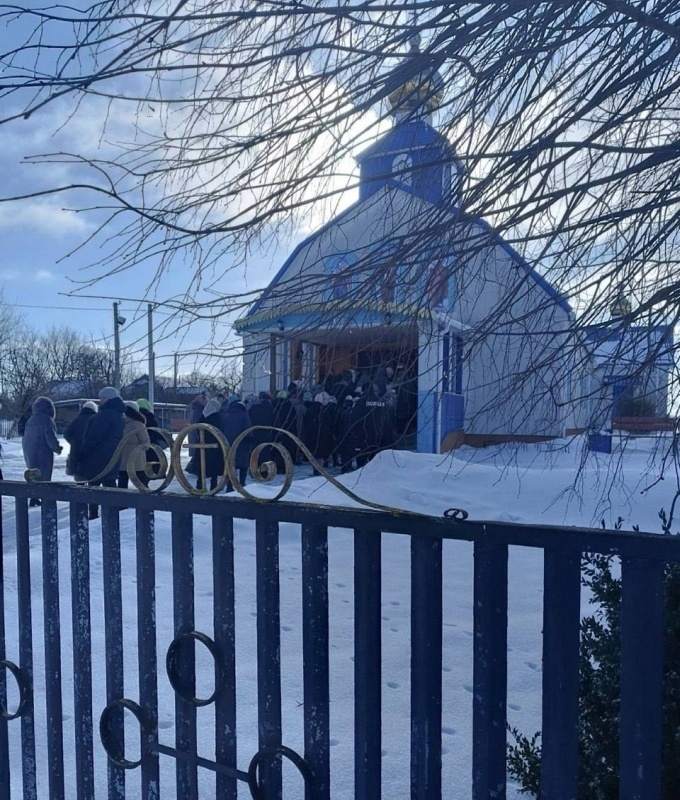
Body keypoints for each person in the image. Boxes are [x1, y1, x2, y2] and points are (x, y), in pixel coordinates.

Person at [78, 387, 126, 520]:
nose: (101, 400)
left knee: (94, 484)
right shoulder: (119, 415)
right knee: (110, 483)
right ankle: (114, 511)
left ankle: (93, 513)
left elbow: (94, 436)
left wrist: (84, 452)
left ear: (110, 399)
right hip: (113, 454)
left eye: (103, 398)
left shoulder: (104, 415)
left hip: (98, 455)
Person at [22, 396, 62, 506]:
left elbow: (25, 438)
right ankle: (45, 499)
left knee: (34, 475)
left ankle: (34, 498)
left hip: (30, 452)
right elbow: (50, 436)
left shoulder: (30, 420)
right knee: (44, 477)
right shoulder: (46, 419)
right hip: (43, 452)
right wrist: (57, 448)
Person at [220, 395, 252, 492]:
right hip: (242, 442)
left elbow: (222, 428)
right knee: (243, 464)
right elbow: (248, 428)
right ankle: (242, 484)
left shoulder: (227, 414)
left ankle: (230, 485)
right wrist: (249, 441)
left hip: (228, 442)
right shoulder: (244, 413)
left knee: (231, 464)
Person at [351, 382, 387, 468]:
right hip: (378, 434)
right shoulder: (382, 402)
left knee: (361, 461)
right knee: (375, 460)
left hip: (363, 435)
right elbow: (387, 419)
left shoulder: (361, 402)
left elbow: (354, 419)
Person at [118, 401, 151, 489]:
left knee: (122, 483)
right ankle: (145, 501)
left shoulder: (120, 422)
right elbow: (145, 442)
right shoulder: (138, 424)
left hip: (122, 457)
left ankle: (121, 502)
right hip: (137, 458)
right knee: (142, 484)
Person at [196, 397, 225, 491]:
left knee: (202, 463)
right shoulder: (216, 416)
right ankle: (214, 484)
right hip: (214, 444)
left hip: (202, 442)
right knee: (214, 465)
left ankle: (199, 484)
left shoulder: (203, 416)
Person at [64, 401, 97, 478]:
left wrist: (74, 442)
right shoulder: (96, 419)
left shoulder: (77, 419)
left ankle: (80, 487)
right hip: (91, 451)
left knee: (79, 476)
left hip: (76, 450)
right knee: (92, 476)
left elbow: (66, 434)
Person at [249, 391, 275, 468]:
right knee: (265, 453)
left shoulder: (254, 408)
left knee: (255, 452)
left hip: (255, 433)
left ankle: (254, 469)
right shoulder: (272, 409)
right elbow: (276, 423)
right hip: (268, 434)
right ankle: (264, 471)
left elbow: (249, 420)